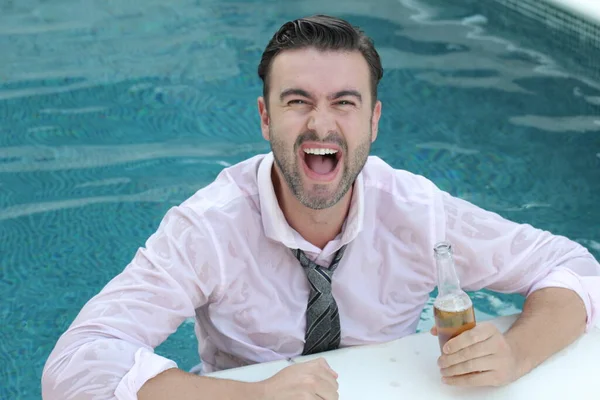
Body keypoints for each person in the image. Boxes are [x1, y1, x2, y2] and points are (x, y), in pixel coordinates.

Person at [42, 14, 599, 400]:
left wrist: (516, 354)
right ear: (265, 117)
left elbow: (575, 269)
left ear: (374, 120)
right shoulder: (208, 227)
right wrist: (252, 398)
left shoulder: (416, 212)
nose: (320, 123)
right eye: (297, 101)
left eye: (344, 103)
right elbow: (76, 365)